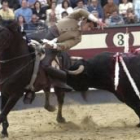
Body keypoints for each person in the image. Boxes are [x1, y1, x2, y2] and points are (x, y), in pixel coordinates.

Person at [24, 9, 106, 103]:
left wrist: (54, 45)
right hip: (48, 33)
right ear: (85, 21)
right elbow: (81, 11)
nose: (89, 29)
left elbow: (66, 45)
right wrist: (96, 20)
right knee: (26, 43)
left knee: (45, 64)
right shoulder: (74, 17)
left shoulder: (78, 38)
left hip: (54, 47)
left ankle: (31, 90)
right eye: (89, 26)